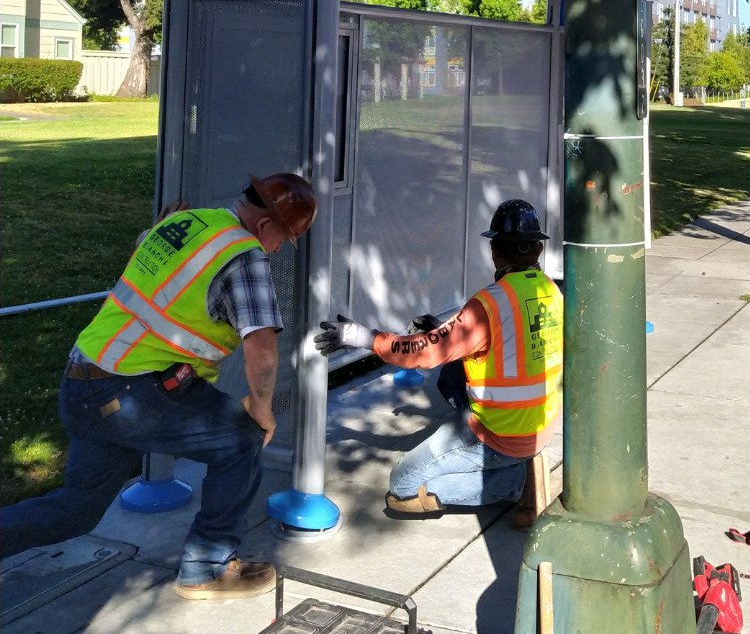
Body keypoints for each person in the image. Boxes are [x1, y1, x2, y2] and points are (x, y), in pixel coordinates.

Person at [0, 173, 317, 600]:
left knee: (74, 512)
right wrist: (262, 407)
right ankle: (208, 567)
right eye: (282, 239)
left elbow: (144, 257)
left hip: (83, 379)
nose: (278, 249)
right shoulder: (245, 255)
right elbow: (261, 344)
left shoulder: (187, 223)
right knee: (242, 438)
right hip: (129, 391)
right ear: (264, 226)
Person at [315, 199, 563, 525]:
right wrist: (441, 331)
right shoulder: (551, 292)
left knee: (403, 487)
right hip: (539, 427)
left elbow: (423, 353)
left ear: (496, 251)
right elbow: (512, 342)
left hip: (498, 433)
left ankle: (514, 483)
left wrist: (362, 337)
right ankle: (516, 468)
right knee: (453, 372)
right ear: (537, 250)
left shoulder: (490, 303)